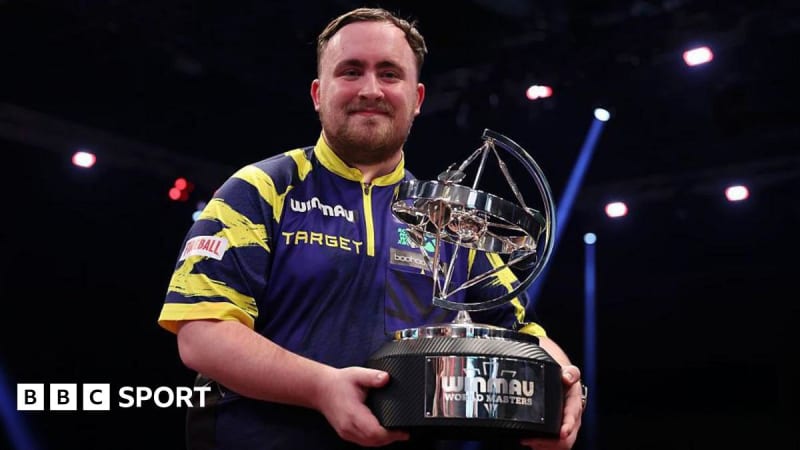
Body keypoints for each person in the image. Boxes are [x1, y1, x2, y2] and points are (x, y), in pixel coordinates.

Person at [158, 7, 585, 450]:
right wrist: (321, 387)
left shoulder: (448, 217)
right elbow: (202, 334)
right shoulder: (263, 188)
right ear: (318, 94)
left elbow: (524, 336)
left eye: (389, 74)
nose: (370, 89)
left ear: (417, 98)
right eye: (350, 71)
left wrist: (565, 387)